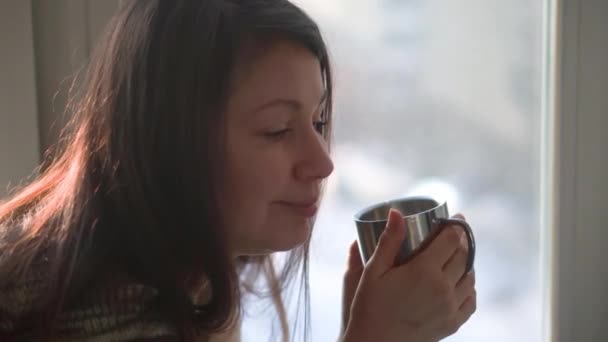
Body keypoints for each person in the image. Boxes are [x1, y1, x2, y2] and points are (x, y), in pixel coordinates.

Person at [0, 0, 476, 341]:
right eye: (276, 129)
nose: (323, 163)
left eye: (319, 121)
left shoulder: (190, 278)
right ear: (173, 144)